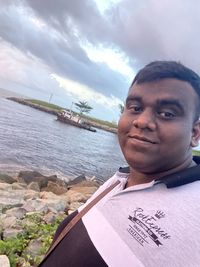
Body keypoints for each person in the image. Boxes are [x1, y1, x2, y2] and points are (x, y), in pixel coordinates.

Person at [39, 61, 200, 267]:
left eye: (167, 113)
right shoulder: (120, 179)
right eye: (135, 108)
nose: (142, 121)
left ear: (195, 133)